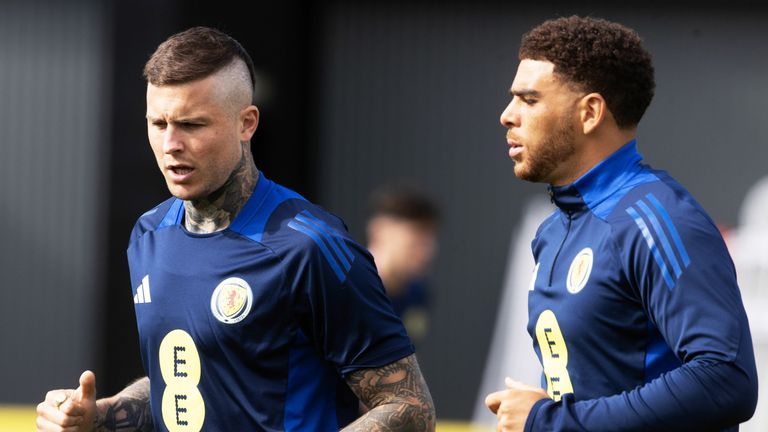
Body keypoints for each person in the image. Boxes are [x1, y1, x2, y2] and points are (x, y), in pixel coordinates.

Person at [36, 26, 435, 432]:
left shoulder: (310, 246)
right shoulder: (149, 235)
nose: (171, 143)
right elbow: (184, 384)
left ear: (246, 123)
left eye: (191, 125)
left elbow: (410, 407)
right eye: (158, 123)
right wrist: (100, 415)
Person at [484, 16, 757, 431]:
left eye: (529, 99)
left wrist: (551, 421)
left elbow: (725, 378)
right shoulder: (553, 232)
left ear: (590, 112)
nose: (507, 115)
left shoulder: (656, 217)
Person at [365, 183, 439, 345]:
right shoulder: (348, 289)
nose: (429, 248)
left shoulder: (417, 294)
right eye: (418, 234)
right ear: (379, 231)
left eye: (431, 235)